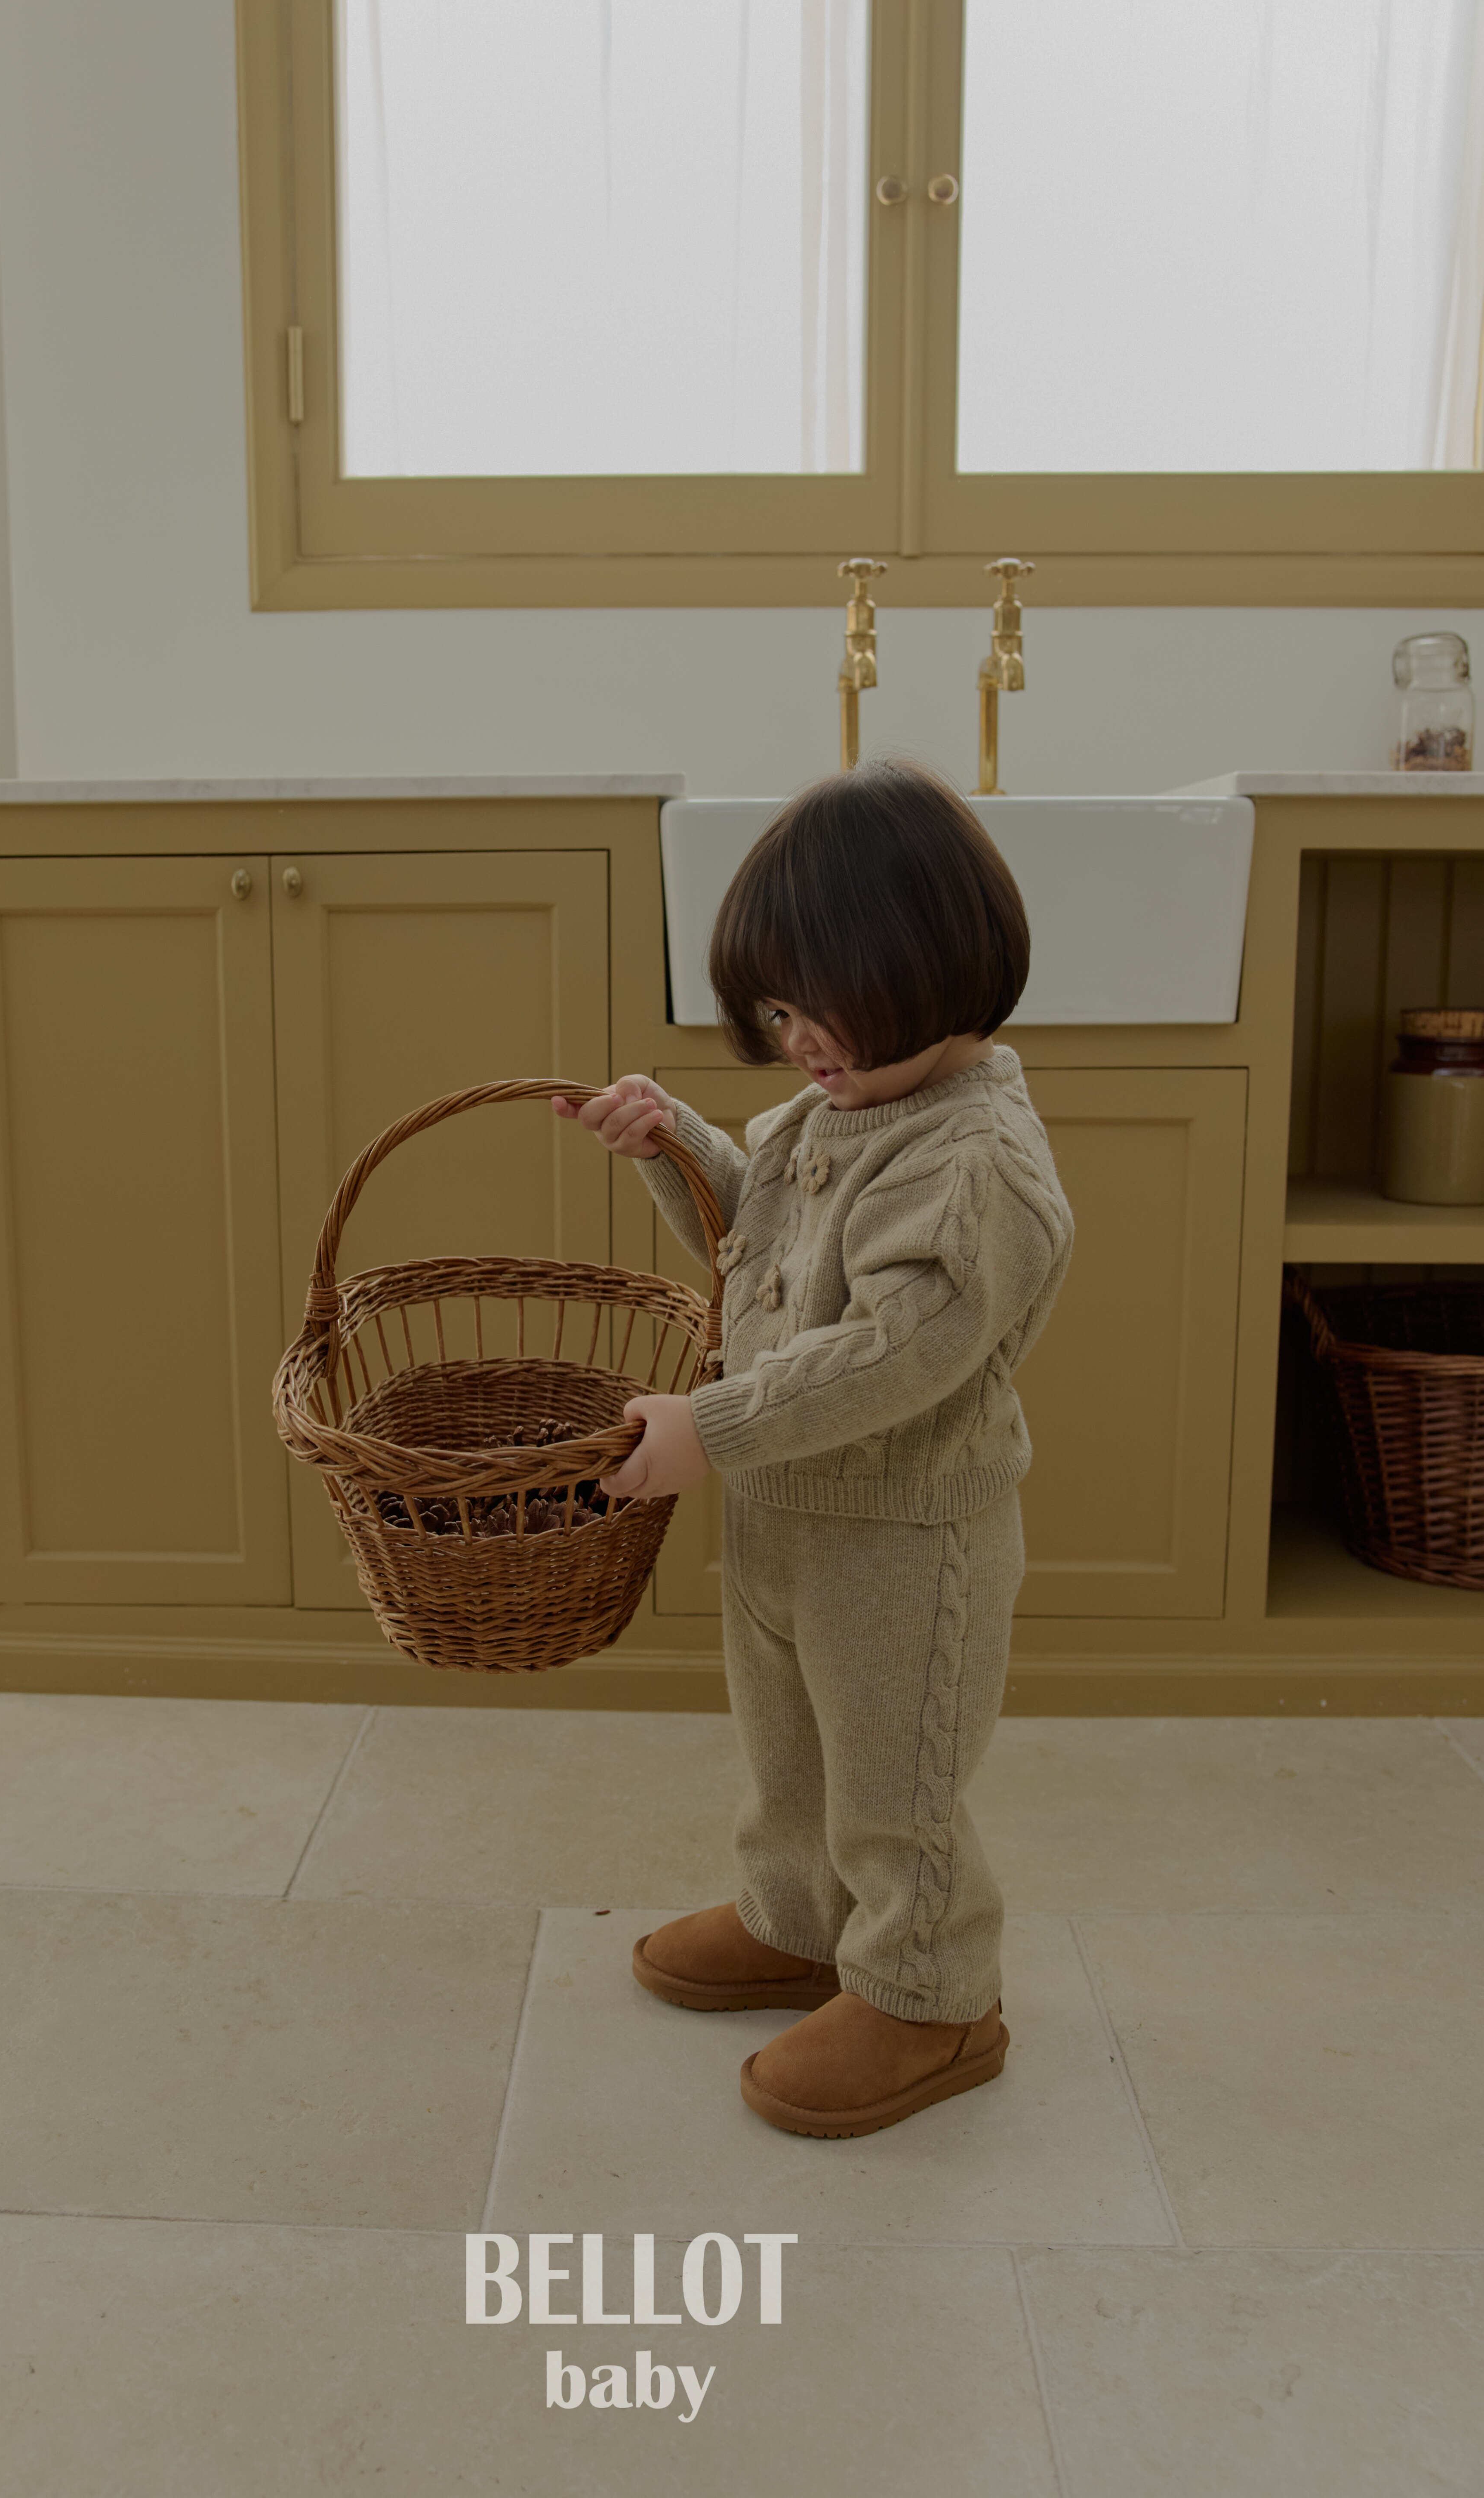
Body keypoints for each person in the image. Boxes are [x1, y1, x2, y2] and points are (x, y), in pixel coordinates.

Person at [554, 759, 1073, 2139]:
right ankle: (799, 1921)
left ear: (933, 968)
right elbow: (766, 1249)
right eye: (778, 1010)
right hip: (788, 1512)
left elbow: (897, 1348)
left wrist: (713, 1427)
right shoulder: (827, 1111)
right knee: (788, 1748)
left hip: (906, 1536)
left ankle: (929, 1993)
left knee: (898, 1779)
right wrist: (674, 1147)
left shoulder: (974, 1163)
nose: (800, 1038)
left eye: (823, 1006)